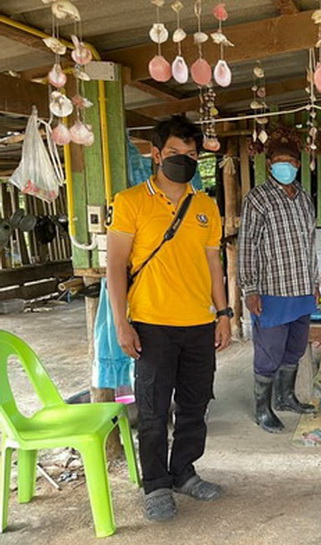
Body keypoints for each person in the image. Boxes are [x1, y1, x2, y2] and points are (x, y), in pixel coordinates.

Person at [107, 115, 231, 522]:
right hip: (151, 324)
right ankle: (156, 485)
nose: (184, 159)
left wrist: (224, 313)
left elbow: (213, 263)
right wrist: (121, 323)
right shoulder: (130, 202)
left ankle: (184, 472)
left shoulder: (206, 205)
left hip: (198, 323)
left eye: (191, 154)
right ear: (156, 154)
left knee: (195, 405)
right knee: (154, 410)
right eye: (175, 152)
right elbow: (115, 266)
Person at [238, 133, 317, 434]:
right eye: (279, 161)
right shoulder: (257, 199)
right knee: (269, 352)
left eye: (291, 161)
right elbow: (247, 245)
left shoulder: (304, 198)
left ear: (298, 164)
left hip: (302, 288)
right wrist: (250, 289)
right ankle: (263, 409)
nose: (285, 166)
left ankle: (286, 397)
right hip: (272, 290)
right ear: (269, 164)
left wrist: (314, 282)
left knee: (294, 348)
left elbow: (310, 243)